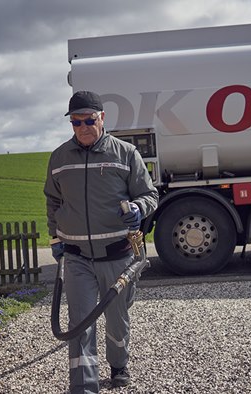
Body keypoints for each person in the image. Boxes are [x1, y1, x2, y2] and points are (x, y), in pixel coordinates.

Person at [44, 91, 159, 393]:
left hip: (118, 256)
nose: (83, 126)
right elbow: (53, 201)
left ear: (102, 118)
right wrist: (55, 237)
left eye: (89, 120)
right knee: (80, 324)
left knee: (116, 320)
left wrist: (138, 209)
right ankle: (84, 387)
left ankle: (119, 364)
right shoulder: (59, 158)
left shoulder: (125, 154)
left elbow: (150, 195)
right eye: (76, 122)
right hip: (77, 258)